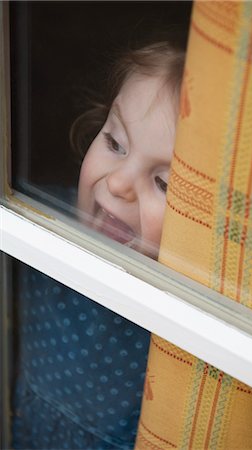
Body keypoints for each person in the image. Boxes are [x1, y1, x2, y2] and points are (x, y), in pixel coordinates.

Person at [12, 41, 185, 450]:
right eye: (115, 143)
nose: (120, 183)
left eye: (163, 182)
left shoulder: (194, 312)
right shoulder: (34, 221)